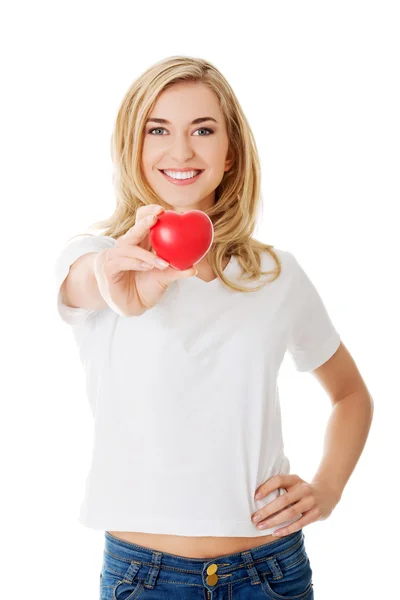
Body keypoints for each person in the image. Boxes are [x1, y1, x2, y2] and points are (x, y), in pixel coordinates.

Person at [54, 56, 373, 599]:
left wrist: (329, 487)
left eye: (203, 130)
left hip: (269, 572)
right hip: (144, 579)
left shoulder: (275, 274)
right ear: (134, 146)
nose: (181, 152)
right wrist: (114, 279)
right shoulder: (96, 257)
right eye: (159, 130)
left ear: (230, 155)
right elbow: (88, 282)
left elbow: (349, 394)